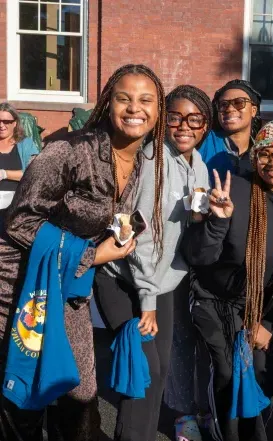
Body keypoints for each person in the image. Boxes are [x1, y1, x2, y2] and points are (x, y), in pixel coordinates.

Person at [0, 63, 165, 441]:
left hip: (71, 289)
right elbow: (20, 223)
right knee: (24, 395)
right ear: (108, 103)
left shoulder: (140, 160)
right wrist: (97, 255)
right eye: (124, 98)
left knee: (79, 392)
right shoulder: (68, 152)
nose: (134, 108)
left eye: (146, 100)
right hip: (20, 287)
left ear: (159, 110)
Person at [93, 85, 211, 441]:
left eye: (195, 119)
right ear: (163, 120)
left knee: (158, 373)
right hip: (125, 278)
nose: (184, 126)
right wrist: (148, 300)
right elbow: (140, 237)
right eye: (175, 117)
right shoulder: (153, 161)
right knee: (141, 368)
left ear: (206, 124)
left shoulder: (198, 165)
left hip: (162, 283)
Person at [182, 120, 273, 441]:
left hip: (262, 309)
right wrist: (217, 223)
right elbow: (198, 256)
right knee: (227, 371)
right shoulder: (234, 189)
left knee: (261, 379)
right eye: (265, 155)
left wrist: (270, 322)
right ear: (255, 159)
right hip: (213, 299)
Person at [198, 79, 262, 181]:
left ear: (253, 111)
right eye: (223, 104)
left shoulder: (262, 152)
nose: (230, 109)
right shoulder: (202, 140)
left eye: (239, 102)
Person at [0, 103, 39, 230]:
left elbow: (35, 172)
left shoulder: (26, 144)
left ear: (15, 123)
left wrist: (4, 174)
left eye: (7, 121)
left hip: (17, 203)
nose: (2, 125)